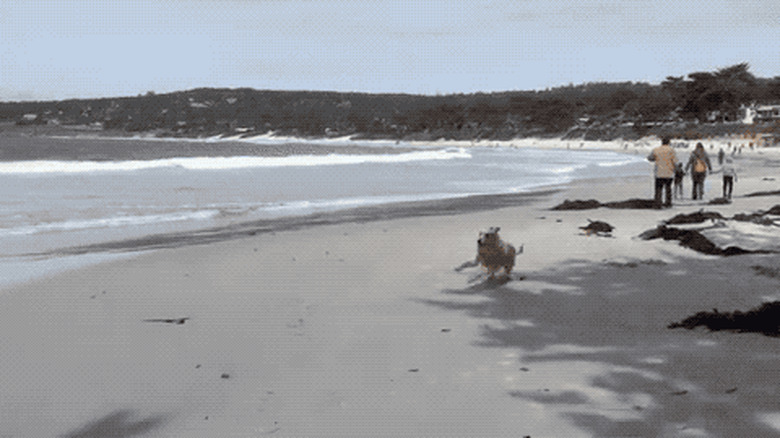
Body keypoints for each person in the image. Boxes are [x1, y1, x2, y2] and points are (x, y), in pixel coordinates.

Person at [647, 137, 678, 208]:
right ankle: (668, 203)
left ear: (662, 142)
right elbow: (675, 161)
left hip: (659, 172)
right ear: (669, 142)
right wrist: (676, 170)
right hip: (669, 172)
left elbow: (650, 158)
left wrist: (656, 159)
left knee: (658, 189)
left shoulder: (656, 150)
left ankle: (658, 203)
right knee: (668, 189)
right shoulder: (671, 150)